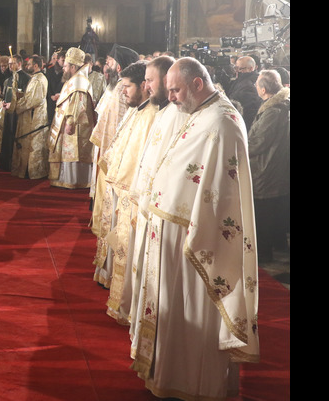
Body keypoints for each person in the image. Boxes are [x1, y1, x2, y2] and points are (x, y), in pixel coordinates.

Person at [129, 57, 259, 400]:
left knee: (191, 314)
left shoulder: (222, 123)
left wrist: (191, 233)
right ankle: (169, 375)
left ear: (197, 84)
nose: (170, 97)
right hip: (174, 237)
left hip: (197, 244)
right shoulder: (200, 113)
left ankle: (192, 384)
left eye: (175, 90)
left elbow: (221, 199)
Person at [95, 61, 159, 324]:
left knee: (129, 252)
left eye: (127, 86)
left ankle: (124, 304)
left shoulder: (153, 114)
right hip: (118, 187)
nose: (123, 92)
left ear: (144, 86)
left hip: (132, 193)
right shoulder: (137, 110)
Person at [90, 44, 139, 286]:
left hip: (118, 163)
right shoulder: (116, 87)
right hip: (109, 155)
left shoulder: (122, 90)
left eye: (109, 61)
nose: (105, 65)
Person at [248, 69, 290, 263]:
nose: (255, 87)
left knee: (265, 212)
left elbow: (258, 142)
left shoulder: (273, 111)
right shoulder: (282, 105)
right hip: (278, 167)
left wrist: (240, 147)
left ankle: (264, 253)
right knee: (278, 207)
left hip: (267, 168)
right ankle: (279, 244)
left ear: (263, 89)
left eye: (257, 84)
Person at [48, 47, 95, 189]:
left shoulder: (79, 81)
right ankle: (65, 179)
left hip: (74, 125)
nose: (63, 69)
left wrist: (70, 122)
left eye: (66, 66)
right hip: (67, 121)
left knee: (75, 151)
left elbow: (77, 105)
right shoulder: (76, 79)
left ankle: (74, 180)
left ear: (73, 67)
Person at [3, 55, 49, 179]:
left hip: (34, 117)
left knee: (32, 144)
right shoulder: (35, 78)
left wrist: (17, 105)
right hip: (29, 115)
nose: (26, 67)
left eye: (29, 65)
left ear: (35, 66)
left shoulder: (39, 79)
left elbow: (33, 100)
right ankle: (24, 169)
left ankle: (32, 171)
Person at [0, 55, 32, 172]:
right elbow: (5, 94)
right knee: (7, 136)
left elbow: (26, 96)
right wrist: (4, 102)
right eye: (9, 64)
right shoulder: (8, 79)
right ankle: (6, 163)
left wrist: (15, 102)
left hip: (18, 113)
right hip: (9, 113)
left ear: (19, 63)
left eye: (12, 63)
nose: (10, 66)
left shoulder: (27, 78)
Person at [227, 55, 262, 130]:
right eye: (235, 68)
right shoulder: (239, 81)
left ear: (251, 68)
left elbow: (248, 113)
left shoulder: (249, 86)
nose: (236, 71)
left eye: (240, 68)